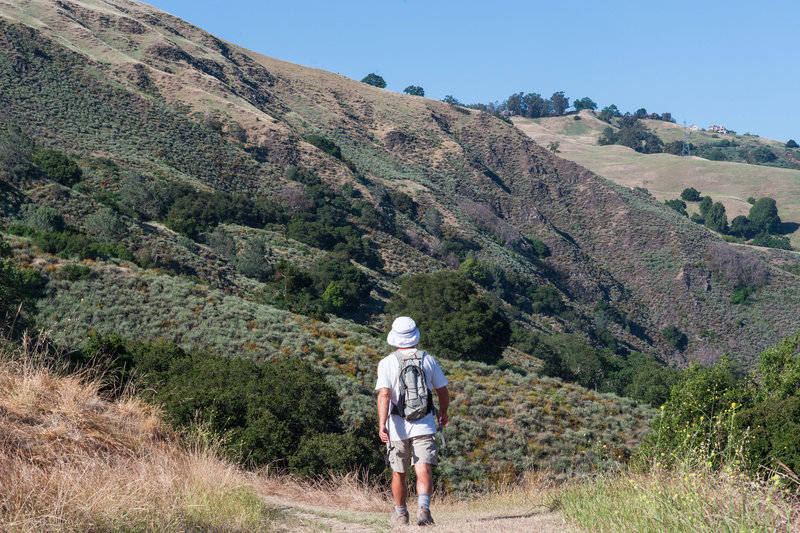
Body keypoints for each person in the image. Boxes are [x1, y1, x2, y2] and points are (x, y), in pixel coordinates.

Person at [376, 316, 449, 527]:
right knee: (423, 468)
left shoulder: (387, 362)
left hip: (397, 426)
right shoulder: (427, 359)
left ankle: (401, 515)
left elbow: (384, 395)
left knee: (399, 472)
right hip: (424, 423)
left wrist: (382, 424)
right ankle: (424, 509)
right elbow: (442, 391)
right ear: (414, 335)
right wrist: (443, 413)